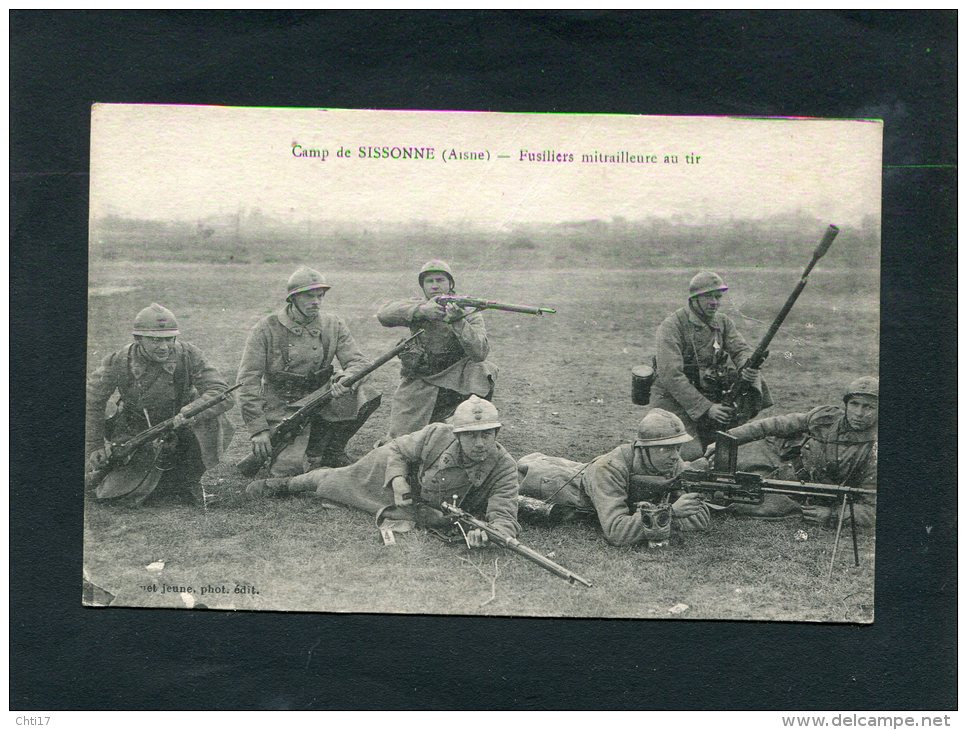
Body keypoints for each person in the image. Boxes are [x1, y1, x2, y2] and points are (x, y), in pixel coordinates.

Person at [245, 395, 519, 547]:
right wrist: (399, 481)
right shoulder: (437, 434)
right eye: (471, 436)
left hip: (424, 508)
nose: (480, 443)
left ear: (496, 433)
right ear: (457, 435)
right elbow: (398, 449)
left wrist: (488, 534)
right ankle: (284, 484)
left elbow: (504, 514)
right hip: (392, 476)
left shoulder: (503, 466)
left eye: (486, 434)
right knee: (333, 481)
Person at [236, 266, 382, 476]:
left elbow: (358, 361)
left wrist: (346, 377)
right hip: (283, 406)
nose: (316, 302)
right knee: (288, 471)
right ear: (293, 298)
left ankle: (332, 451)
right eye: (309, 296)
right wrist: (258, 429)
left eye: (320, 296)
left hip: (322, 397)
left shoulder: (333, 324)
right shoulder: (265, 329)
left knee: (366, 391)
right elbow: (247, 382)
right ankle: (300, 449)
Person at [85, 303, 235, 505]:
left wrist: (191, 412)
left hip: (183, 427)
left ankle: (189, 480)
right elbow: (93, 400)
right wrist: (94, 446)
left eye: (169, 339)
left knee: (211, 416)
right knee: (113, 494)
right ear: (138, 339)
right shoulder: (119, 361)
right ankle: (163, 480)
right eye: (155, 340)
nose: (164, 347)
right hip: (137, 432)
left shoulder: (188, 354)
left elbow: (221, 392)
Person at [515, 408, 710, 547]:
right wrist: (671, 512)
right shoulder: (609, 469)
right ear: (644, 448)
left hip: (583, 475)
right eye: (667, 448)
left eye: (678, 447)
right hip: (545, 483)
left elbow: (700, 520)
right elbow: (617, 532)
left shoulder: (669, 461)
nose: (676, 456)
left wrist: (657, 513)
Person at [710, 376, 878, 526]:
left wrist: (832, 515)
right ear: (846, 404)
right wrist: (728, 438)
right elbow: (773, 425)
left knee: (738, 500)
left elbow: (871, 507)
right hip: (777, 458)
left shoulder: (874, 450)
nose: (859, 413)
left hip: (795, 495)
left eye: (868, 407)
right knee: (713, 465)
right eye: (854, 404)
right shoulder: (826, 417)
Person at [649, 271, 772, 458]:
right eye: (708, 297)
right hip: (675, 400)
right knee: (692, 455)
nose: (714, 302)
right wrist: (707, 408)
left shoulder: (722, 322)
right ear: (694, 299)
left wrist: (746, 367)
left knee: (732, 450)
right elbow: (670, 375)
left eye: (717, 297)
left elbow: (740, 350)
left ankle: (733, 422)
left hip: (710, 391)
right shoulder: (672, 326)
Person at [376, 259, 498, 439]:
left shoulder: (468, 310)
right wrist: (422, 311)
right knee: (399, 441)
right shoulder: (418, 305)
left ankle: (473, 424)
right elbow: (384, 314)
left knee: (483, 370)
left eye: (440, 280)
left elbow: (480, 353)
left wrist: (458, 321)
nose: (435, 286)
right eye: (429, 281)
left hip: (457, 377)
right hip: (422, 377)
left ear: (450, 283)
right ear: (423, 286)